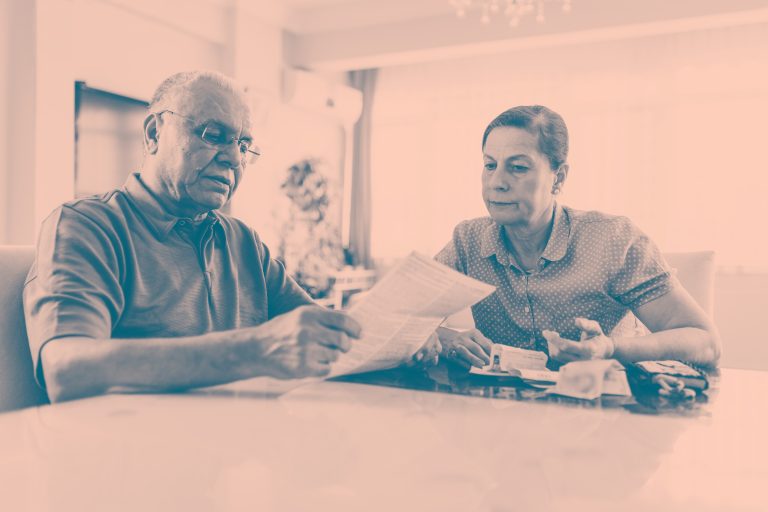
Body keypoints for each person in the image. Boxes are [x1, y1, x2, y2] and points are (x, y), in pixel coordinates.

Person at [23, 71, 435, 403]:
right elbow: (67, 369)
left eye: (244, 143)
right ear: (153, 134)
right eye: (213, 135)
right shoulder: (86, 227)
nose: (235, 157)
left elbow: (326, 338)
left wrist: (406, 336)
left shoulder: (242, 242)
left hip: (234, 457)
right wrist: (254, 349)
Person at [435, 105, 721, 370]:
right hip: (502, 411)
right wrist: (445, 337)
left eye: (518, 167)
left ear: (558, 178)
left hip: (608, 409)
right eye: (490, 165)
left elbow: (704, 341)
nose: (497, 182)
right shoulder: (468, 240)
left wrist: (609, 348)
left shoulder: (613, 239)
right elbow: (395, 319)